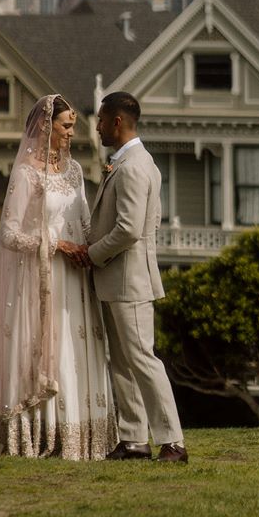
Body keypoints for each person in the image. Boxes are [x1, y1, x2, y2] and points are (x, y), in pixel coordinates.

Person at [0, 94, 117, 459]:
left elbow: (85, 223)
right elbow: (8, 234)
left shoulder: (73, 171)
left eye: (73, 126)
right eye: (66, 126)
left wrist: (99, 248)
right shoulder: (26, 173)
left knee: (79, 348)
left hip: (77, 278)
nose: (72, 133)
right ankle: (42, 435)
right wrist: (56, 245)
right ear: (46, 126)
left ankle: (87, 438)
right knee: (51, 355)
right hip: (44, 278)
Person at [85, 91, 188, 463]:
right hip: (120, 279)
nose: (95, 127)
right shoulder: (135, 162)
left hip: (129, 281)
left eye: (100, 120)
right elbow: (151, 220)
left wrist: (91, 254)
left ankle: (173, 441)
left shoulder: (133, 166)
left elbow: (129, 229)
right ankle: (133, 440)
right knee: (123, 361)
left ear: (116, 122)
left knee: (143, 358)